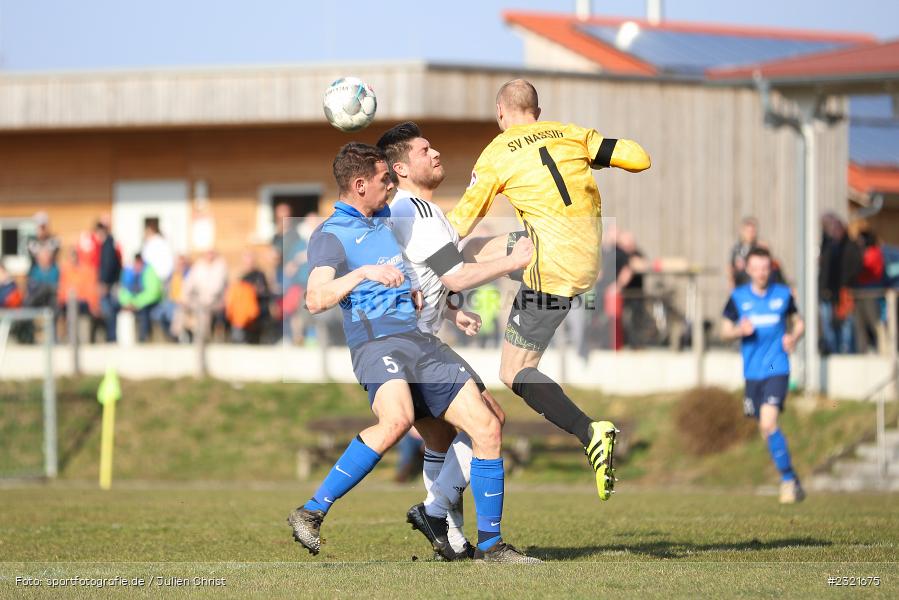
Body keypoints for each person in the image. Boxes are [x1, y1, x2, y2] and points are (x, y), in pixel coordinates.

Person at [286, 143, 538, 563]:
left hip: (419, 341)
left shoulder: (386, 216)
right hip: (376, 344)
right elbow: (315, 298)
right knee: (398, 420)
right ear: (360, 184)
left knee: (488, 427)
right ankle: (311, 512)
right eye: (385, 179)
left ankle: (490, 546)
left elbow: (419, 266)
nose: (392, 185)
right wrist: (363, 273)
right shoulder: (331, 235)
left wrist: (449, 308)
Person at [446, 79, 651, 500]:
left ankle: (589, 431)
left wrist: (426, 249)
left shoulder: (497, 153)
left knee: (513, 370)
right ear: (536, 111)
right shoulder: (572, 134)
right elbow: (639, 158)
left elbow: (460, 221)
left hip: (547, 268)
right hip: (585, 259)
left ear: (501, 112)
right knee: (478, 250)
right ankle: (447, 297)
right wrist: (597, 153)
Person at [377, 122, 533, 560]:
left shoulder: (413, 211)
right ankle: (475, 535)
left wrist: (450, 308)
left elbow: (418, 275)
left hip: (405, 344)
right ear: (402, 168)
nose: (436, 153)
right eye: (426, 150)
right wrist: (511, 260)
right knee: (487, 425)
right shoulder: (417, 211)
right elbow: (455, 273)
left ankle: (452, 539)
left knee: (445, 438)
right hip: (415, 348)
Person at [721, 247, 806, 504]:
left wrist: (794, 337)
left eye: (765, 268)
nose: (761, 273)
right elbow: (725, 331)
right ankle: (792, 478)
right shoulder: (738, 297)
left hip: (776, 367)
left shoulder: (783, 295)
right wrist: (739, 330)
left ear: (771, 268)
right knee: (764, 428)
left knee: (769, 423)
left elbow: (799, 322)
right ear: (748, 269)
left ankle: (788, 482)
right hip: (752, 373)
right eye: (756, 268)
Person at [819, 213, 861, 354]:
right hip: (829, 292)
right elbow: (825, 271)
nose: (835, 232)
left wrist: (846, 283)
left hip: (845, 291)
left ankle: (847, 351)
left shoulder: (850, 247)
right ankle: (833, 350)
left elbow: (855, 268)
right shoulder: (829, 248)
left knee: (846, 323)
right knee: (829, 323)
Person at [118, 253, 163, 342]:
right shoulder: (129, 272)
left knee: (144, 312)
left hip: (150, 303)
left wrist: (136, 303)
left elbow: (152, 293)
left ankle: (143, 338)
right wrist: (127, 303)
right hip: (135, 303)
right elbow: (124, 290)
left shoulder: (150, 272)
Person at [853, 228, 885, 354]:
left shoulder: (873, 252)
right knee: (860, 323)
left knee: (874, 321)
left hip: (871, 291)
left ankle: (882, 348)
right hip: (859, 292)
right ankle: (862, 350)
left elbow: (867, 268)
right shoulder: (863, 252)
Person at [96, 222, 122, 342]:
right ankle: (110, 336)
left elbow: (108, 266)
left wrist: (105, 282)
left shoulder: (108, 245)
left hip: (108, 284)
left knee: (109, 311)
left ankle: (111, 337)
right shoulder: (109, 244)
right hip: (110, 283)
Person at [141, 218, 174, 283]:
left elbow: (146, 259)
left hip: (155, 275)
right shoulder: (162, 241)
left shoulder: (152, 243)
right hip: (162, 275)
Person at [729, 217, 758, 288]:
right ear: (743, 232)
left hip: (754, 286)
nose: (750, 234)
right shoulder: (736, 248)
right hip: (740, 285)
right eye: (748, 231)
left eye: (752, 231)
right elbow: (731, 267)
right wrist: (731, 283)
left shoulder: (759, 248)